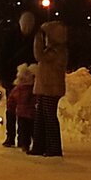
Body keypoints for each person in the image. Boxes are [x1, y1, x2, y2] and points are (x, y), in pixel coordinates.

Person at [30, 19, 68, 157]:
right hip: (46, 87)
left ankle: (53, 147)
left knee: (49, 117)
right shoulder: (54, 51)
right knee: (40, 116)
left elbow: (38, 56)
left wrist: (38, 39)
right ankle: (39, 146)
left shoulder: (57, 52)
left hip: (51, 88)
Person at [0, 11, 37, 147]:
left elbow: (3, 58)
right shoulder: (33, 38)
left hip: (23, 78)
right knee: (20, 109)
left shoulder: (13, 37)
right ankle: (18, 138)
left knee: (19, 109)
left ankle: (18, 138)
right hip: (19, 77)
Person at [6, 62, 36, 152]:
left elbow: (11, 100)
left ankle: (24, 144)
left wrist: (10, 108)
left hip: (21, 114)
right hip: (31, 114)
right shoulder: (33, 89)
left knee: (24, 130)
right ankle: (30, 143)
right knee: (31, 130)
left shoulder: (18, 89)